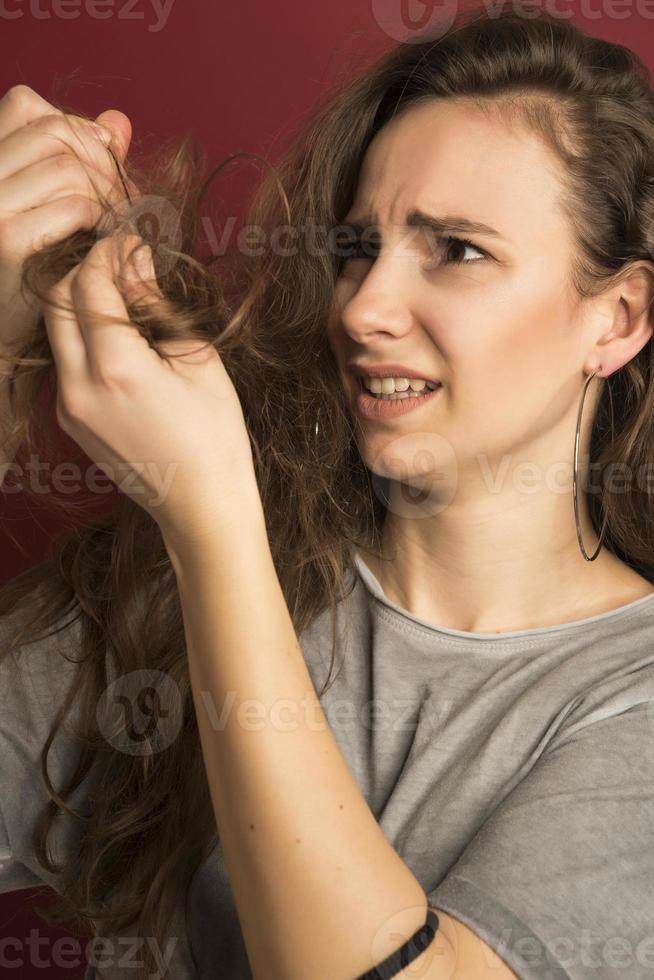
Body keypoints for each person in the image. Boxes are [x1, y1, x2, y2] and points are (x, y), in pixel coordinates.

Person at [1, 5, 654, 978]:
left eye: (458, 249)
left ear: (619, 316)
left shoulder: (628, 693)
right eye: (358, 249)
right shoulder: (148, 589)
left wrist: (213, 517)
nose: (367, 308)